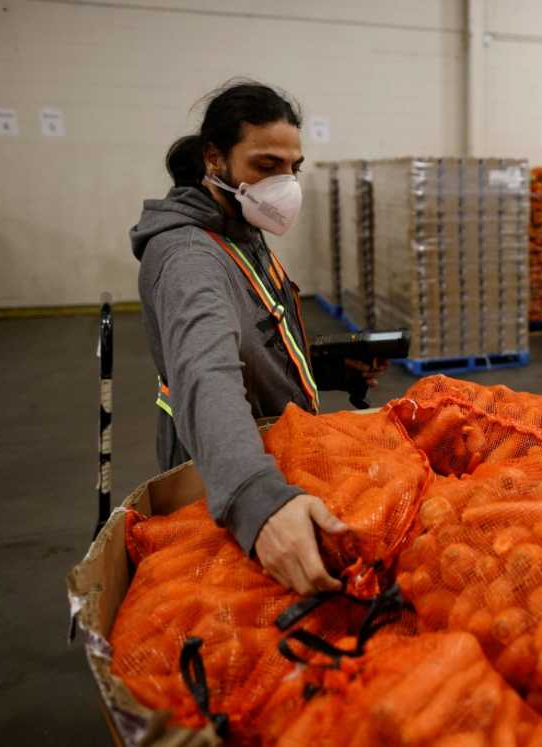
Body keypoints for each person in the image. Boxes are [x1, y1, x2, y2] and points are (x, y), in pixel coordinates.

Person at [130, 81, 388, 596]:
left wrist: (324, 368)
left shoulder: (240, 228)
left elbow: (255, 333)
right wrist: (256, 501)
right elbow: (206, 375)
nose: (284, 185)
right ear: (215, 159)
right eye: (266, 166)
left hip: (278, 447)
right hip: (225, 465)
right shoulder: (189, 259)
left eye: (293, 168)